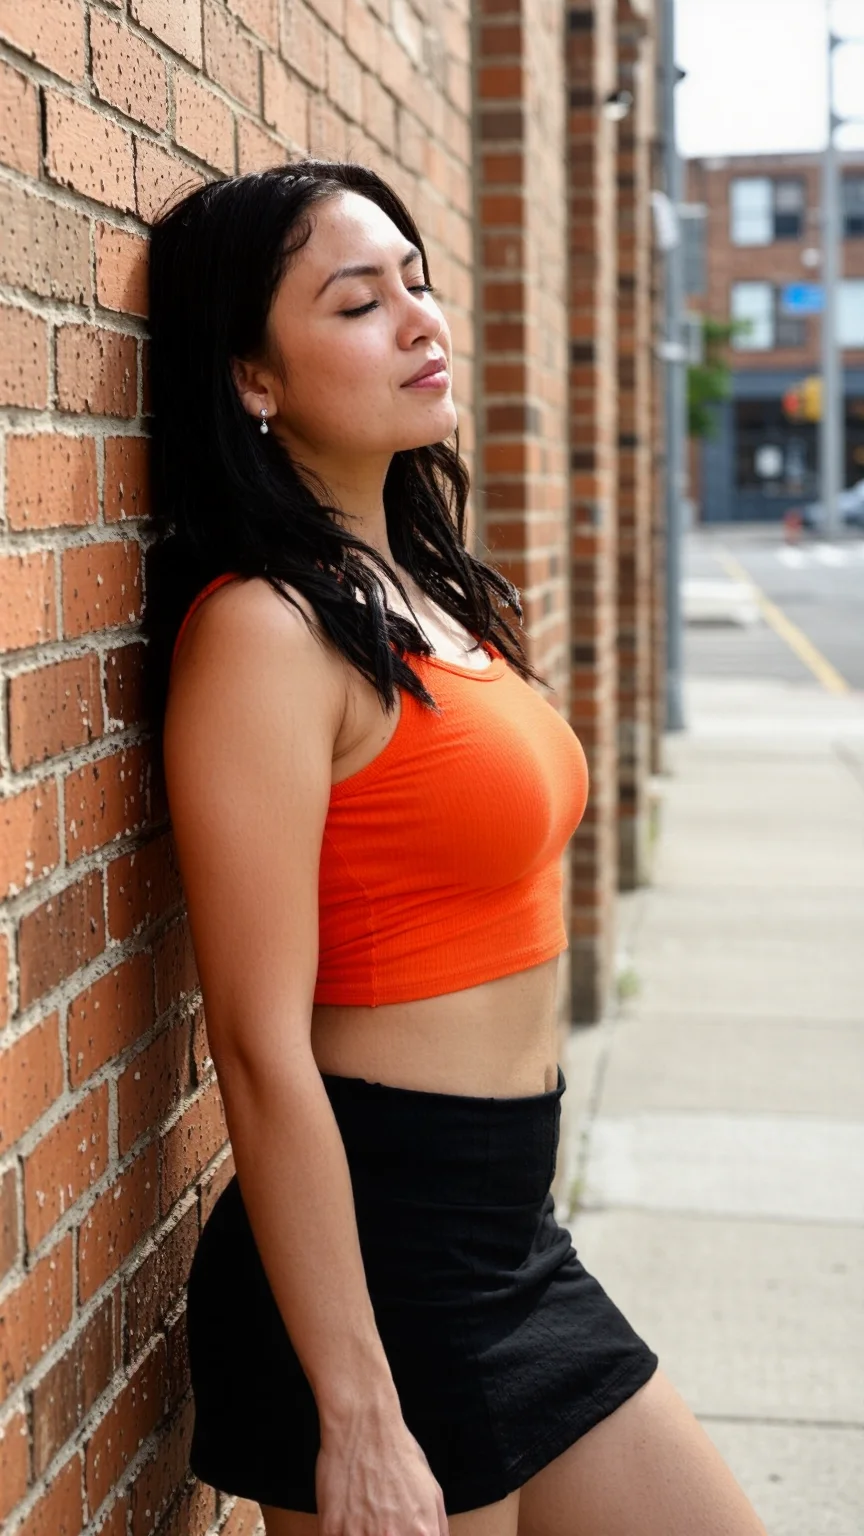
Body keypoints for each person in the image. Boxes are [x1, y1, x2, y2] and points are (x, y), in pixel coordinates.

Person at [143, 160, 768, 1536]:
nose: (423, 319)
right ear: (254, 378)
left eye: (419, 282)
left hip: (508, 1237)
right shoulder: (263, 633)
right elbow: (255, 1044)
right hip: (379, 1262)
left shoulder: (430, 597)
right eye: (361, 302)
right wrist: (360, 1411)